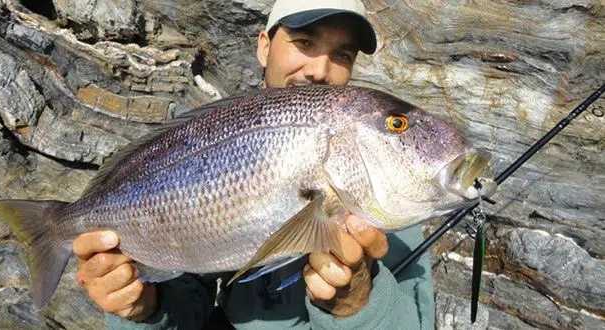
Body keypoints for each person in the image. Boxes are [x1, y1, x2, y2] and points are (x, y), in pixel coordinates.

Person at [72, 0, 435, 328]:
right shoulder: (207, 139)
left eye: (342, 54)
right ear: (264, 46)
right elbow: (185, 302)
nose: (320, 71)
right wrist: (143, 308)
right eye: (305, 43)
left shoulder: (385, 195)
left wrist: (358, 305)